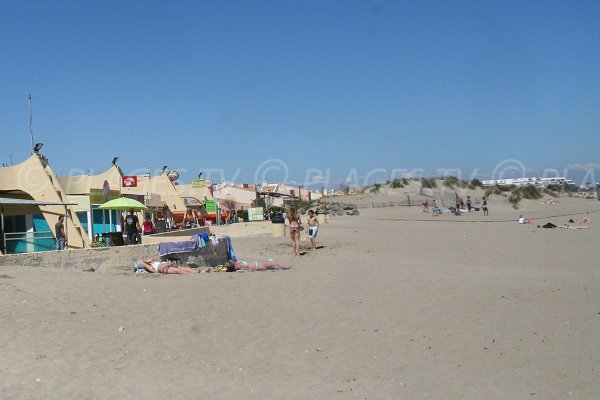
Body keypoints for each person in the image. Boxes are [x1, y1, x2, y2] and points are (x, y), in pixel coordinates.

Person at [134, 259, 211, 274]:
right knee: (180, 271)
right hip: (165, 269)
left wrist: (146, 261)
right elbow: (153, 271)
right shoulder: (150, 267)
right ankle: (197, 273)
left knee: (184, 268)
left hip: (168, 264)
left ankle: (200, 271)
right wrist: (144, 263)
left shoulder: (153, 262)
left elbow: (151, 259)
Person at [224, 259, 292, 272]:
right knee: (275, 265)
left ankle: (287, 267)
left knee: (275, 266)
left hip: (258, 264)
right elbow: (249, 269)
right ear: (231, 265)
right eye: (230, 262)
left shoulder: (237, 263)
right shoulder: (238, 266)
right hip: (258, 266)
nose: (230, 260)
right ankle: (288, 267)